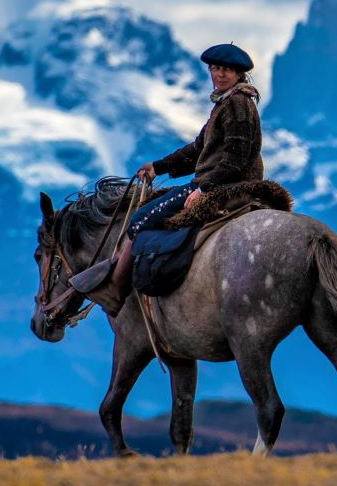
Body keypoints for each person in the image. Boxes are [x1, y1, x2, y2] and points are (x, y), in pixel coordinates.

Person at [69, 42, 264, 308]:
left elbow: (235, 158)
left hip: (226, 186)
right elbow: (198, 149)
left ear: (239, 74)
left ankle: (116, 288)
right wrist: (158, 167)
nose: (220, 75)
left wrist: (204, 189)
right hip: (224, 182)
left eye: (227, 70)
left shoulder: (237, 104)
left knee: (139, 219)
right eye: (216, 69)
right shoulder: (227, 102)